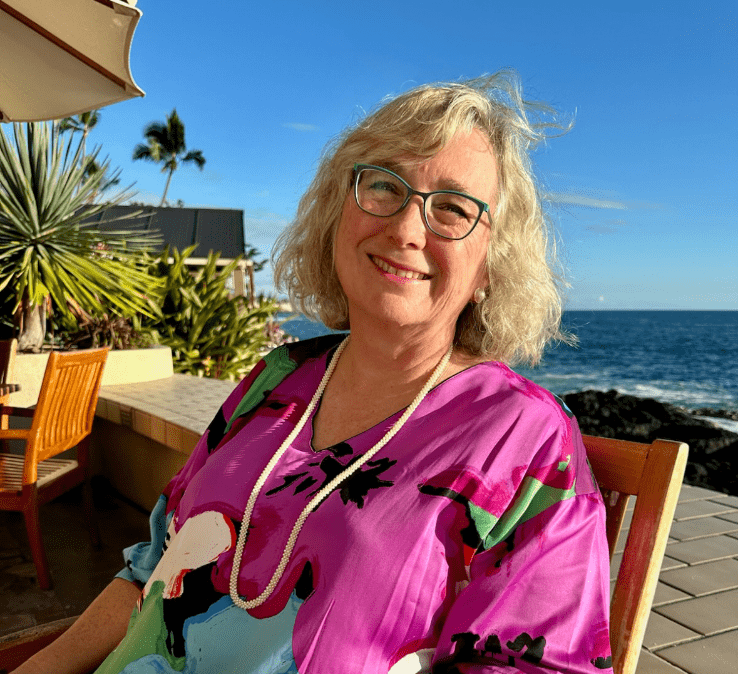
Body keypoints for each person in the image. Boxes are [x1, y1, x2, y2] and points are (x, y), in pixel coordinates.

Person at [18, 71, 613, 674]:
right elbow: (150, 567)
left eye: (454, 209)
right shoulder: (278, 378)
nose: (407, 229)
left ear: (490, 265)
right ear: (338, 215)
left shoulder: (523, 439)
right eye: (384, 187)